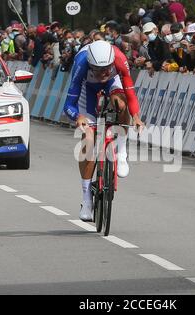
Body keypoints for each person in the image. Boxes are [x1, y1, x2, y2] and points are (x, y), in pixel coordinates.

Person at [63, 41, 144, 221]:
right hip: (87, 89)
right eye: (99, 70)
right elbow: (68, 105)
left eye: (107, 69)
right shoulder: (81, 63)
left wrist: (136, 117)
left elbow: (130, 93)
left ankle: (121, 152)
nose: (104, 73)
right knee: (89, 142)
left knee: (121, 104)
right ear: (90, 65)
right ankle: (86, 199)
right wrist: (78, 118)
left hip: (113, 86)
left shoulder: (120, 60)